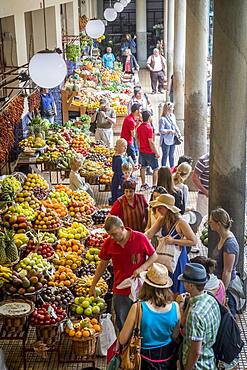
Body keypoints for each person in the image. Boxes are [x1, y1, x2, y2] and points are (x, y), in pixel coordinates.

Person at [89, 215, 157, 330]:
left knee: (142, 320)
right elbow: (102, 265)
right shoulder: (109, 243)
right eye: (110, 235)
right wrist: (93, 284)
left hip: (140, 288)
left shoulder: (139, 238)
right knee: (122, 321)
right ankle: (124, 346)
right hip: (120, 288)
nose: (113, 238)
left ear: (122, 227)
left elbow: (154, 256)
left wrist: (141, 268)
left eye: (115, 234)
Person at [119, 263, 180, 369]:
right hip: (168, 360)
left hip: (143, 361)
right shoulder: (175, 307)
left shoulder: (138, 308)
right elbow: (175, 335)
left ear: (146, 285)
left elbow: (122, 339)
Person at [145, 194, 197, 294]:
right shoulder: (162, 219)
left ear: (168, 209)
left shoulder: (181, 222)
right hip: (165, 257)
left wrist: (174, 241)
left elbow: (193, 241)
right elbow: (150, 233)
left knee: (175, 285)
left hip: (177, 258)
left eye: (160, 207)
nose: (158, 210)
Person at [178, 263, 221, 370]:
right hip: (209, 360)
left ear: (191, 285)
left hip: (198, 366)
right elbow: (183, 324)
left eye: (184, 281)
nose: (183, 283)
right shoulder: (211, 299)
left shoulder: (195, 314)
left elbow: (195, 351)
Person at [209, 207, 240, 317]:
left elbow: (227, 271)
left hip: (228, 287)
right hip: (220, 282)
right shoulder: (222, 237)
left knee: (228, 317)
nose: (209, 223)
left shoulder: (229, 244)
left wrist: (223, 293)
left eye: (211, 221)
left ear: (218, 224)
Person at [137, 110, 160, 191]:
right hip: (150, 152)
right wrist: (156, 152)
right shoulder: (149, 128)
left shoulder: (139, 128)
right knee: (155, 169)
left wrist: (140, 147)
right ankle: (154, 185)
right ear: (149, 117)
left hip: (142, 151)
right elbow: (151, 142)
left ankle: (143, 184)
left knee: (142, 167)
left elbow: (137, 139)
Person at [159, 102, 181, 168]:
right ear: (168, 109)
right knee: (165, 155)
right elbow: (161, 130)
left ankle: (172, 169)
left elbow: (175, 125)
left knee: (172, 155)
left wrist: (178, 133)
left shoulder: (173, 116)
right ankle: (163, 169)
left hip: (173, 138)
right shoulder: (162, 119)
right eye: (172, 107)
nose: (173, 109)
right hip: (166, 139)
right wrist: (169, 131)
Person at [111, 138, 128, 204]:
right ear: (120, 147)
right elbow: (121, 173)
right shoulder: (119, 159)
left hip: (115, 179)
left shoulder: (115, 156)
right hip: (119, 181)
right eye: (124, 146)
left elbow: (114, 169)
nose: (126, 148)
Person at [192, 153, 209, 217]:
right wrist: (206, 192)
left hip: (218, 195)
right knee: (202, 218)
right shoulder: (203, 160)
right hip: (204, 195)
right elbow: (194, 177)